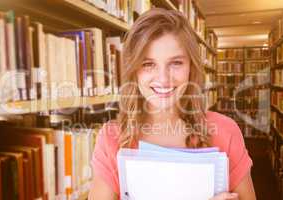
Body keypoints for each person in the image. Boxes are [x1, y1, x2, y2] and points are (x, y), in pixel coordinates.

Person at [88, 8, 256, 200]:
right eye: (148, 64)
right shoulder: (111, 139)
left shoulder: (225, 131)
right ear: (133, 71)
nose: (163, 79)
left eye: (176, 63)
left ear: (191, 67)